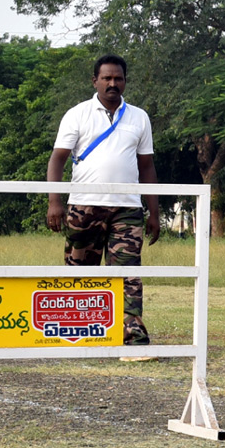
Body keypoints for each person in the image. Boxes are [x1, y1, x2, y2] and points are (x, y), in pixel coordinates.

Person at [46, 53, 160, 347]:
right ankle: (80, 332)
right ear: (94, 81)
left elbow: (146, 166)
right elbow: (57, 160)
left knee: (127, 272)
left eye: (118, 78)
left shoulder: (139, 117)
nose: (112, 83)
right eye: (106, 78)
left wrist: (154, 213)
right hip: (84, 205)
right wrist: (54, 203)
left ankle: (133, 336)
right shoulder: (77, 114)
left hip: (127, 207)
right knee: (81, 271)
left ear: (125, 81)